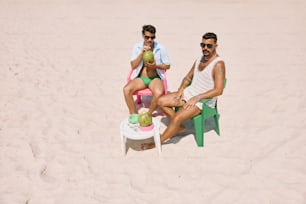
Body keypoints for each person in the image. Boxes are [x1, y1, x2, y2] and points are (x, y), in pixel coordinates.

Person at [143, 32, 226, 149]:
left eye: (209, 46)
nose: (205, 48)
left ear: (216, 46)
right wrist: (181, 89)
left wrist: (197, 98)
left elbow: (219, 90)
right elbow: (187, 77)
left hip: (202, 102)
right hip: (189, 93)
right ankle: (179, 127)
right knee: (160, 101)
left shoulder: (218, 65)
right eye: (203, 45)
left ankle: (157, 142)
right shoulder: (199, 59)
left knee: (176, 118)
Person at [123, 25, 170, 116]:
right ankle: (133, 114)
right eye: (147, 37)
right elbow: (133, 65)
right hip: (141, 78)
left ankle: (149, 114)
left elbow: (167, 66)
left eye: (152, 37)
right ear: (142, 35)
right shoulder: (137, 47)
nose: (149, 40)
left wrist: (155, 66)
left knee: (159, 92)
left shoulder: (161, 48)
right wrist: (141, 53)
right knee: (126, 90)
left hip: (155, 78)